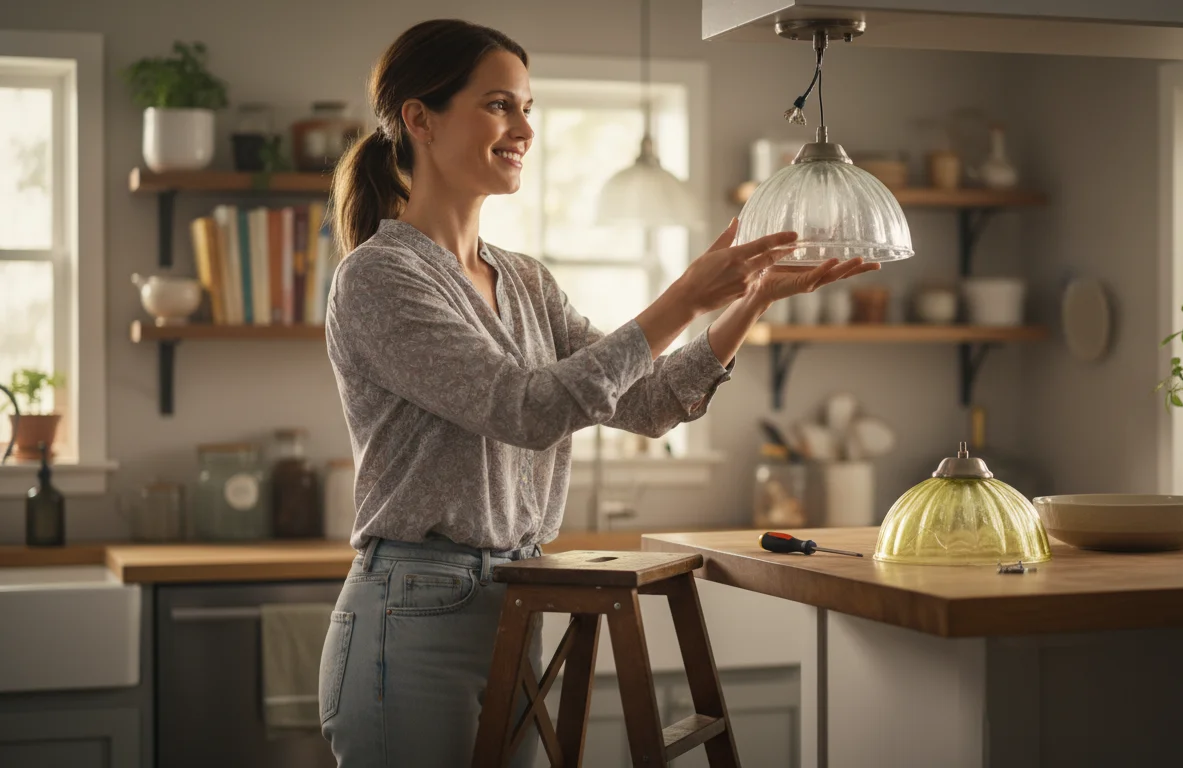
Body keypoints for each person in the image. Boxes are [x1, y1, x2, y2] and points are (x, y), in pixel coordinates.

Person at [317, 18, 879, 768]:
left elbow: (646, 405)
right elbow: (527, 410)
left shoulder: (523, 279)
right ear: (420, 118)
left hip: (517, 598)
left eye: (527, 107)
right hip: (414, 612)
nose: (523, 128)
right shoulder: (381, 277)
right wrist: (683, 298)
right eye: (498, 106)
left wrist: (749, 301)